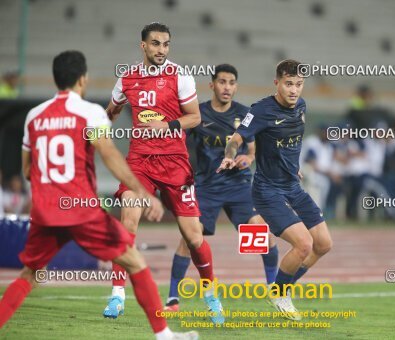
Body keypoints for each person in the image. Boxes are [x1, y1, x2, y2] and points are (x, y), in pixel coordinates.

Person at [0, 51, 198, 340]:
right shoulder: (90, 112)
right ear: (83, 79)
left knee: (29, 274)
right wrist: (144, 193)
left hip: (45, 211)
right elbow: (111, 157)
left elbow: (28, 171)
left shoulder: (34, 116)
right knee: (135, 261)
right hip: (81, 210)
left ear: (55, 78)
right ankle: (164, 335)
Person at [104, 22, 224, 324]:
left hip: (174, 163)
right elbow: (111, 111)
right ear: (143, 45)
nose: (161, 50)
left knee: (193, 236)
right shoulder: (127, 77)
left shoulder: (179, 76)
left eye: (166, 44)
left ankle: (210, 295)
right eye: (155, 44)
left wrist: (167, 126)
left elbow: (195, 117)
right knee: (128, 221)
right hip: (139, 162)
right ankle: (117, 294)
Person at [217, 60, 332, 320]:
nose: (294, 90)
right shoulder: (261, 110)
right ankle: (279, 293)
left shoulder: (301, 106)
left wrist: (293, 166)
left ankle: (284, 287)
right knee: (304, 244)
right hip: (268, 190)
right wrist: (229, 155)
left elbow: (291, 142)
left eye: (299, 85)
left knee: (323, 245)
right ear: (277, 83)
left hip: (293, 185)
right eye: (288, 84)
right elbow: (236, 139)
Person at [165, 64, 279, 311]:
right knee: (191, 239)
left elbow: (252, 147)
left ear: (236, 86)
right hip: (206, 188)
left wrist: (249, 158)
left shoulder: (245, 113)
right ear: (212, 85)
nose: (227, 87)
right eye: (222, 82)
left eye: (232, 83)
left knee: (262, 235)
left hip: (239, 187)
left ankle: (275, 290)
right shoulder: (199, 114)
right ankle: (173, 297)